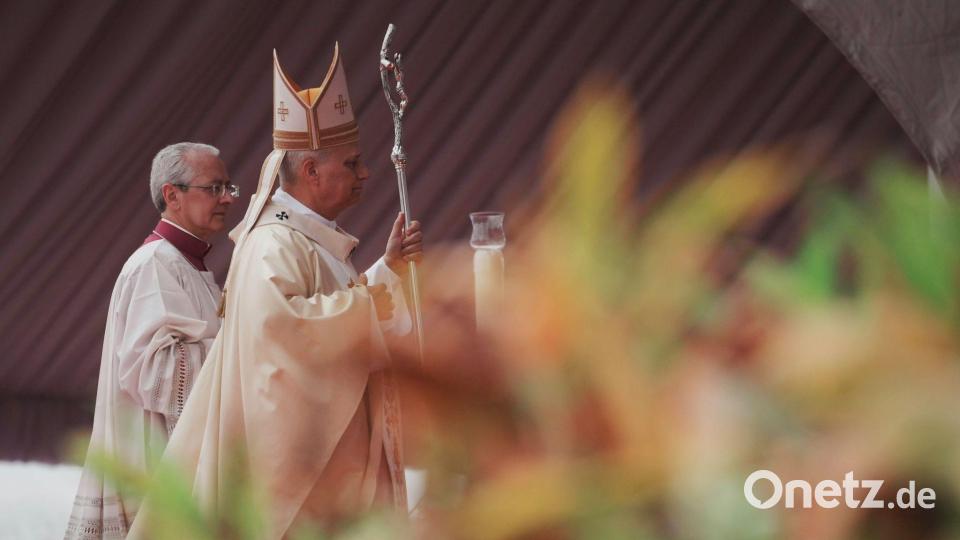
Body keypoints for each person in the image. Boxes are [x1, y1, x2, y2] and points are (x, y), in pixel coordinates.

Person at [128, 44, 423, 538]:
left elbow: (335, 310)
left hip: (337, 459)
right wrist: (364, 307)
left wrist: (386, 270)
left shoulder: (309, 239)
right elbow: (281, 333)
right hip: (303, 477)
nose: (365, 173)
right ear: (311, 172)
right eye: (352, 163)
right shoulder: (272, 243)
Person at [64, 143, 238, 539]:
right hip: (154, 464)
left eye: (229, 187)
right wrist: (243, 348)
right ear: (172, 195)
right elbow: (156, 374)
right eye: (214, 188)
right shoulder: (156, 263)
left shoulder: (187, 266)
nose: (228, 198)